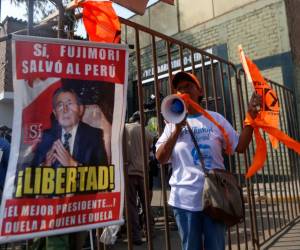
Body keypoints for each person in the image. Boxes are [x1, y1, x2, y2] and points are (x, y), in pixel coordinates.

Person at [155, 71, 262, 250]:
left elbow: (240, 146)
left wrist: (251, 116)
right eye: (179, 89)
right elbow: (160, 158)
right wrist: (176, 131)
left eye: (188, 87)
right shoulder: (171, 124)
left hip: (215, 198)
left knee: (216, 246)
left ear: (200, 91)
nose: (183, 91)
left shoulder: (216, 119)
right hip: (184, 201)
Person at [32, 87, 107, 167]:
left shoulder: (94, 136)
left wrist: (74, 165)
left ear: (80, 109)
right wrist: (45, 166)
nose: (65, 110)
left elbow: (103, 174)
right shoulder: (46, 137)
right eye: (60, 105)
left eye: (69, 104)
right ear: (55, 113)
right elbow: (30, 173)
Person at [124, 111, 154, 245]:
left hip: (129, 172)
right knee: (146, 203)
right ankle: (149, 232)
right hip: (143, 172)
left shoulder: (125, 128)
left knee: (131, 205)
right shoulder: (147, 133)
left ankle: (135, 236)